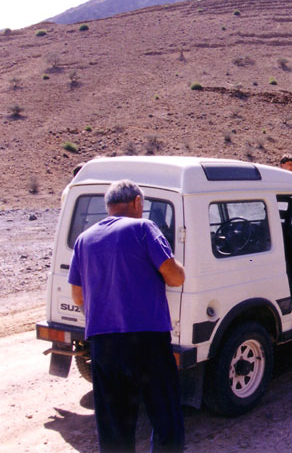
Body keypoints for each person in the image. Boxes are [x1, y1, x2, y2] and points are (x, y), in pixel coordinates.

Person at [68, 180, 186, 453]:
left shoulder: (84, 239)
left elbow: (78, 296)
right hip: (148, 340)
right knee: (165, 416)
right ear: (137, 202)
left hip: (104, 344)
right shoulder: (143, 228)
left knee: (114, 424)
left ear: (108, 205)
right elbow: (175, 277)